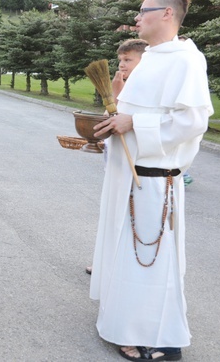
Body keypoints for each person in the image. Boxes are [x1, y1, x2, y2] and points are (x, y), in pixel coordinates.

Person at [91, 0, 213, 362]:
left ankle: (162, 338)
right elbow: (131, 117)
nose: (136, 18)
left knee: (149, 259)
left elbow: (192, 122)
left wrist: (133, 123)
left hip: (153, 180)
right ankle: (123, 321)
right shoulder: (155, 57)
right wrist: (106, 134)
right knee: (126, 254)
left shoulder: (185, 60)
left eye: (144, 11)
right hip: (127, 174)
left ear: (167, 14)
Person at [87, 38, 147, 275]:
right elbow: (108, 119)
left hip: (134, 166)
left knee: (128, 217)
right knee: (110, 215)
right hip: (114, 163)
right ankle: (104, 260)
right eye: (120, 60)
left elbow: (131, 123)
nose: (122, 65)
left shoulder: (144, 88)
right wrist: (113, 95)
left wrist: (118, 96)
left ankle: (120, 264)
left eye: (128, 60)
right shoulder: (123, 85)